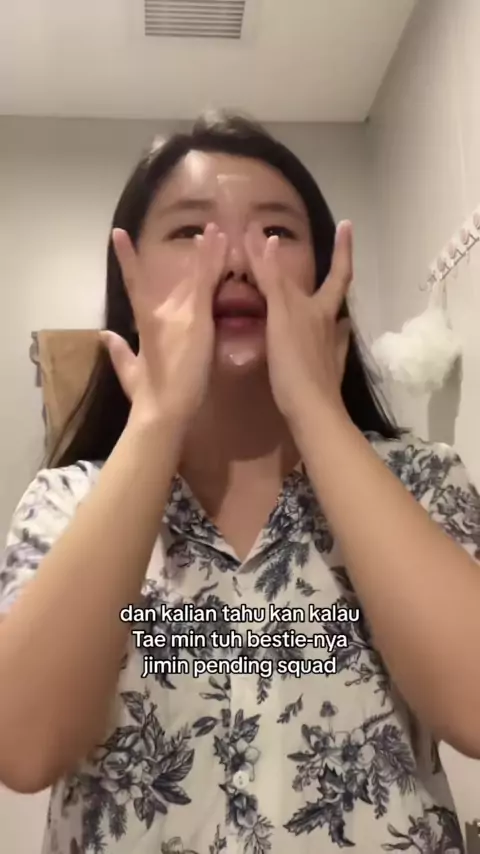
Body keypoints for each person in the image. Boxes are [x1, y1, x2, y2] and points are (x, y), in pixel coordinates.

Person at [0, 112, 479, 854]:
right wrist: (157, 420)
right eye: (191, 231)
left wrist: (317, 409)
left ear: (327, 277)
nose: (233, 259)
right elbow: (23, 748)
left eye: (276, 231)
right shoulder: (65, 502)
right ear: (130, 282)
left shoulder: (423, 478)